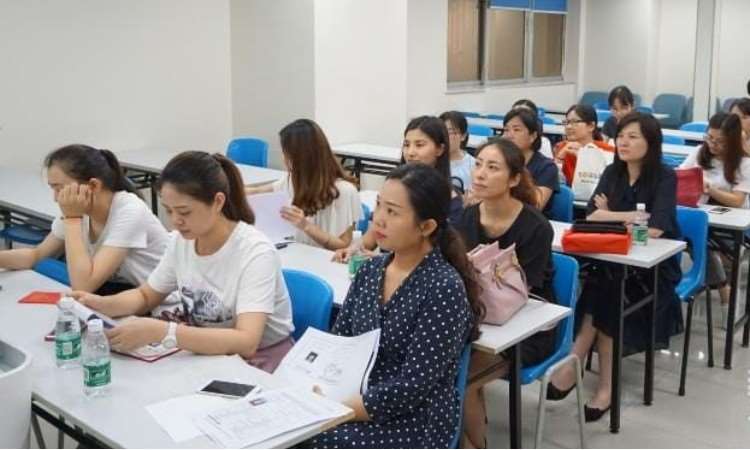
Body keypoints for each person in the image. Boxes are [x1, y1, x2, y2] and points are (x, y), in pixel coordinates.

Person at [302, 163, 482, 449]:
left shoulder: (443, 287)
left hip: (414, 417)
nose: (379, 220)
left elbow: (414, 386)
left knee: (316, 440)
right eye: (378, 206)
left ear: (426, 227)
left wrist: (338, 408)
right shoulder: (370, 271)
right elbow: (340, 341)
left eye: (393, 212)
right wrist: (317, 386)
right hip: (354, 396)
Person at [73, 151, 294, 372]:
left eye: (184, 212)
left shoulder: (255, 252)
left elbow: (246, 342)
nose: (175, 222)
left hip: (260, 362)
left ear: (218, 202)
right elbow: (146, 296)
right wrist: (100, 304)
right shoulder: (182, 241)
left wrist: (164, 332)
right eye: (168, 211)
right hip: (209, 354)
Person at [548, 112, 682, 422]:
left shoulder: (665, 176)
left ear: (651, 142)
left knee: (607, 290)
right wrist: (631, 217)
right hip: (614, 261)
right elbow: (591, 215)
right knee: (607, 286)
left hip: (653, 269)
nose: (623, 142)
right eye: (621, 135)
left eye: (633, 136)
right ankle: (602, 385)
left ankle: (579, 362)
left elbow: (656, 228)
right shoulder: (613, 171)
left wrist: (612, 214)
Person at [453, 137, 556, 447]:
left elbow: (525, 293)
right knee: (435, 370)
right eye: (478, 164)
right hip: (476, 320)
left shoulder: (536, 226)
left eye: (492, 167)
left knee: (461, 379)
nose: (480, 173)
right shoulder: (466, 217)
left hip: (524, 329)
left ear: (514, 179)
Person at [0, 144, 168, 294]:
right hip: (123, 294)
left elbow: (83, 285)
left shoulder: (130, 211)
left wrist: (72, 219)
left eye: (59, 189)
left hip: (161, 304)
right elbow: (35, 255)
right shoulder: (81, 209)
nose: (56, 198)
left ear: (93, 185)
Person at [333, 116, 463, 263]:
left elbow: (441, 256)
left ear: (440, 149)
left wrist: (384, 260)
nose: (410, 152)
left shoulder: (450, 200)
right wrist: (353, 249)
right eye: (407, 145)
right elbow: (372, 234)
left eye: (419, 145)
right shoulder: (396, 186)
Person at [245, 119, 361, 250]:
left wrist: (306, 226)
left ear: (301, 157)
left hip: (326, 259)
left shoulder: (345, 191)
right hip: (301, 254)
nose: (283, 159)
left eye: (286, 154)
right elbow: (259, 191)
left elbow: (343, 245)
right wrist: (230, 188)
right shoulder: (293, 180)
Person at [679, 112, 750, 324]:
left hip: (732, 225)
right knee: (691, 237)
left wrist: (710, 189)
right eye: (709, 138)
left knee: (702, 242)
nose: (712, 145)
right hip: (702, 218)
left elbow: (737, 200)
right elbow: (680, 176)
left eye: (720, 141)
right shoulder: (699, 153)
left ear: (733, 141)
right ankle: (723, 287)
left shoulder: (744, 163)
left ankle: (721, 285)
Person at [502, 108, 560, 213]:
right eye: (506, 130)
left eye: (516, 130)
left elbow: (536, 205)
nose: (509, 136)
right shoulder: (501, 161)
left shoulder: (547, 167)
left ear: (532, 136)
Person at [554, 104, 615, 186]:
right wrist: (560, 158)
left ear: (591, 126)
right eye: (567, 122)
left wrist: (584, 158)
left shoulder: (608, 151)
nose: (568, 127)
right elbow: (552, 181)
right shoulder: (561, 148)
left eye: (575, 122)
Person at [440, 110, 475, 193]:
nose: (444, 137)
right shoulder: (432, 161)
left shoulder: (473, 165)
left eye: (449, 132)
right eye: (441, 132)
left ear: (463, 136)